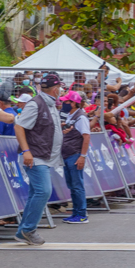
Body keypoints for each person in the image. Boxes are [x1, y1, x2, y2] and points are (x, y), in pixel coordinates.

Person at [13, 76, 63, 245]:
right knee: (43, 191)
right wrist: (26, 151)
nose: (61, 90)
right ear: (55, 88)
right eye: (60, 87)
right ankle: (28, 229)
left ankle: (23, 231)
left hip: (43, 156)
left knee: (36, 193)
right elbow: (19, 126)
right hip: (35, 156)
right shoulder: (36, 104)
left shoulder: (50, 104)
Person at [59, 90, 90, 224]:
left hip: (74, 154)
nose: (63, 103)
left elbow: (86, 136)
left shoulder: (81, 117)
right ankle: (76, 212)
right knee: (72, 185)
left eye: (66, 101)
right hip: (68, 154)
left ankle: (81, 214)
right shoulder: (72, 116)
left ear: (73, 103)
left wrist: (82, 156)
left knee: (77, 185)